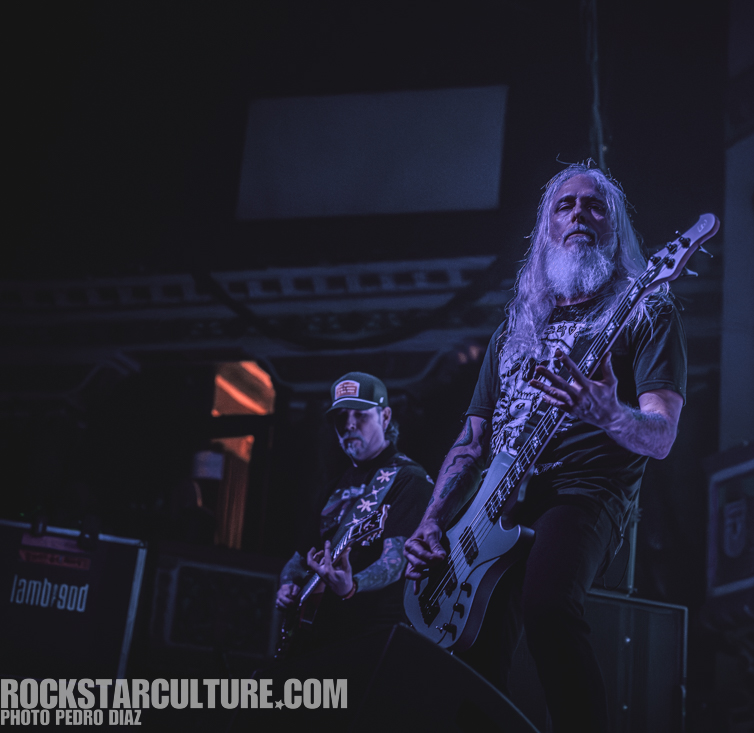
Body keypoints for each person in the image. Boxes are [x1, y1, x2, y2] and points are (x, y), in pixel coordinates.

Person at [404, 163, 687, 731]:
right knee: (474, 647)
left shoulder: (645, 310)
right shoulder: (515, 329)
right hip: (496, 499)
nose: (579, 213)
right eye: (565, 205)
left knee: (548, 608)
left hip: (585, 490)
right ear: (545, 230)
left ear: (615, 227)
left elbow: (661, 436)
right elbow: (472, 438)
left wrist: (607, 411)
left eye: (594, 205)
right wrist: (431, 520)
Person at [275, 371, 432, 653]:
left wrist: (352, 585)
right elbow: (298, 560)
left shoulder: (409, 480)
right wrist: (287, 586)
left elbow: (395, 561)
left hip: (371, 636)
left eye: (360, 414)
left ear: (385, 417)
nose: (349, 424)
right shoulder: (334, 486)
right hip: (320, 634)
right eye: (340, 417)